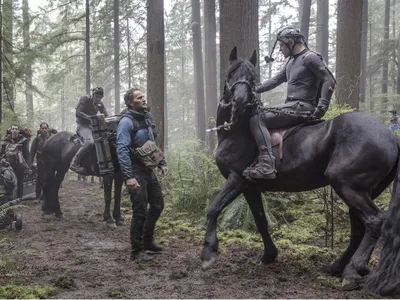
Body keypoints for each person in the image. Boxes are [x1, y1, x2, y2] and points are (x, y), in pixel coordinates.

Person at [243, 26, 336, 180]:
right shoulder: (291, 62)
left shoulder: (311, 57)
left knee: (258, 119)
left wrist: (322, 106)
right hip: (292, 106)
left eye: (281, 45)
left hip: (303, 106)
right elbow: (275, 80)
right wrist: (253, 89)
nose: (280, 49)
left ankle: (266, 165)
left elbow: (329, 79)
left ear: (291, 42)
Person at [116, 87, 168, 261]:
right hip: (135, 171)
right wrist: (129, 177)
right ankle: (136, 251)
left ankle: (147, 242)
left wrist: (161, 162)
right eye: (139, 98)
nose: (144, 99)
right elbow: (122, 149)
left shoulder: (147, 118)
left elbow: (152, 143)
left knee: (158, 205)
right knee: (140, 210)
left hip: (149, 169)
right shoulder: (126, 122)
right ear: (130, 103)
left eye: (143, 96)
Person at [70, 87, 108, 174]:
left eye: (100, 97)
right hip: (83, 126)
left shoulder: (100, 104)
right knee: (90, 142)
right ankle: (74, 163)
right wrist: (91, 118)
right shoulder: (85, 99)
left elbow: (106, 115)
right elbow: (78, 113)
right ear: (93, 94)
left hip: (93, 127)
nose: (97, 99)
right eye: (96, 96)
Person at [0, 125, 31, 198]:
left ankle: (19, 199)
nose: (14, 130)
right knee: (9, 182)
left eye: (16, 129)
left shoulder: (23, 140)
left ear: (18, 131)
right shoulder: (5, 140)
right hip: (8, 166)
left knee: (20, 183)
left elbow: (27, 154)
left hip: (20, 165)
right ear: (10, 130)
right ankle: (9, 199)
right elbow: (1, 153)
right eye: (13, 129)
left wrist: (27, 165)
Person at [30, 122, 57, 200]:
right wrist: (31, 163)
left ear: (48, 129)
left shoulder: (51, 138)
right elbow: (32, 151)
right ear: (40, 129)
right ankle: (38, 196)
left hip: (50, 162)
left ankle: (48, 196)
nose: (44, 130)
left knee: (49, 178)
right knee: (39, 179)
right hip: (40, 161)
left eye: (45, 128)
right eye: (43, 128)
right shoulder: (37, 139)